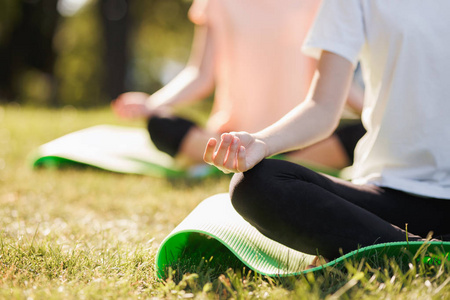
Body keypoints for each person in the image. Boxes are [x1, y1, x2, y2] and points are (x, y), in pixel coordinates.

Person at [204, 0, 450, 267]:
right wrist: (263, 142)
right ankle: (427, 253)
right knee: (255, 185)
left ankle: (397, 251)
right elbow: (322, 107)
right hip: (389, 196)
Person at [112, 0, 365, 171]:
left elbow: (332, 85)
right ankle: (261, 165)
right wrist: (152, 104)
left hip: (301, 139)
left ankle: (253, 165)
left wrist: (379, 117)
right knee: (161, 124)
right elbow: (200, 75)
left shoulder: (320, 3)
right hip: (231, 138)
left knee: (362, 134)